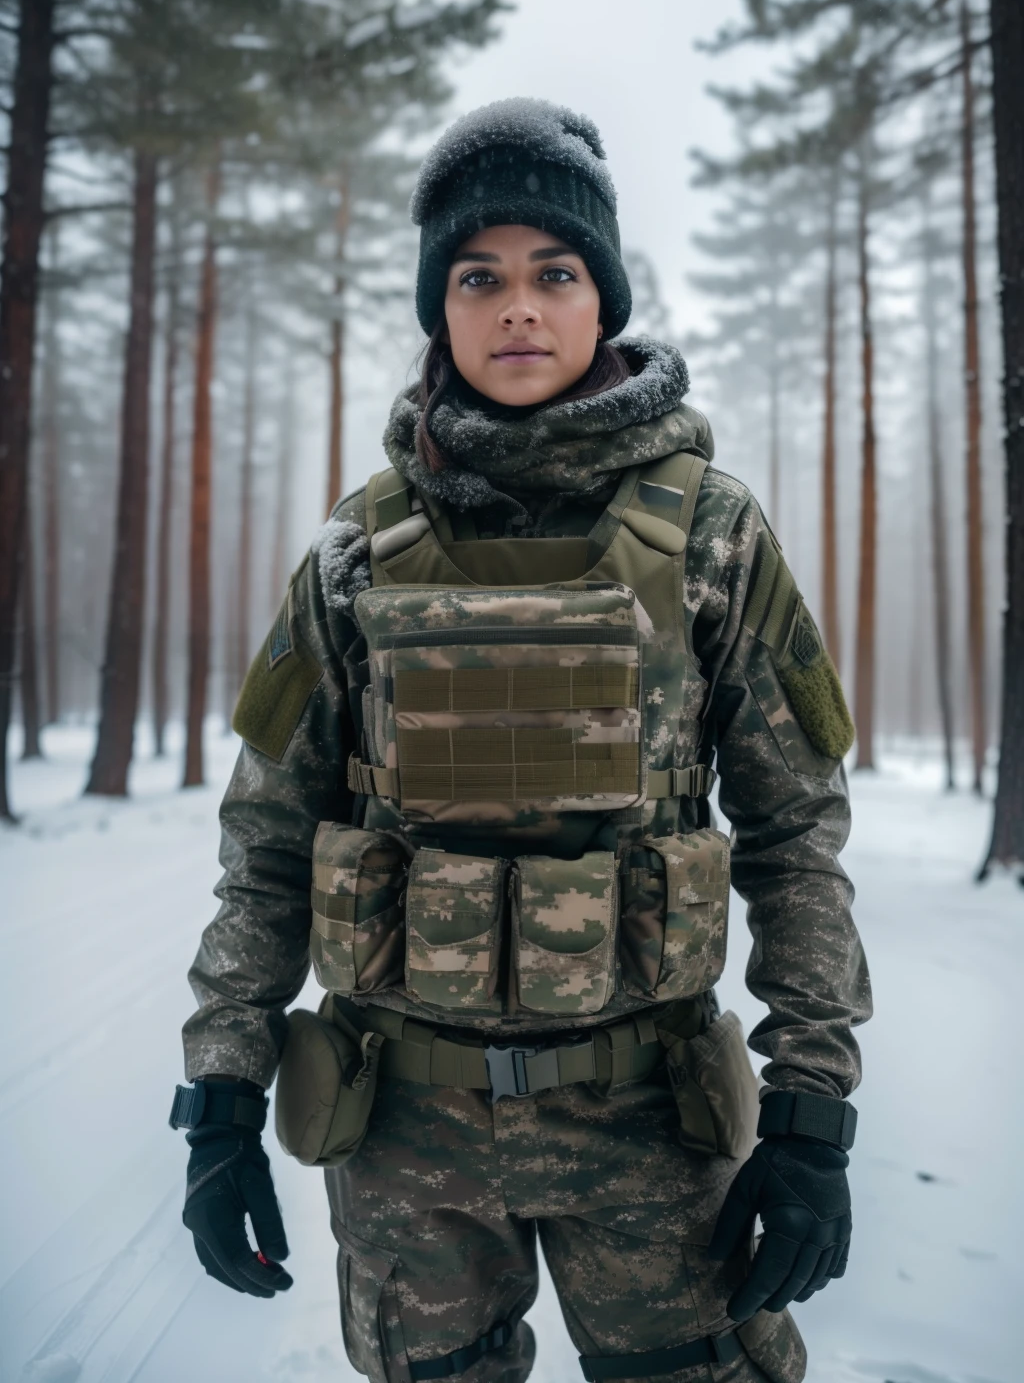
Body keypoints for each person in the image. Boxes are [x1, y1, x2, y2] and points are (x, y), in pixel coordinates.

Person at [172, 98, 871, 1383]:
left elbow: (794, 838)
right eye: (476, 276)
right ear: (439, 308)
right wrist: (218, 1096)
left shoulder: (713, 534)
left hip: (652, 1126)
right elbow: (269, 839)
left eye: (555, 272)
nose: (518, 309)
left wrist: (812, 1111)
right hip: (403, 1137)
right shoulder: (351, 549)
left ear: (601, 297)